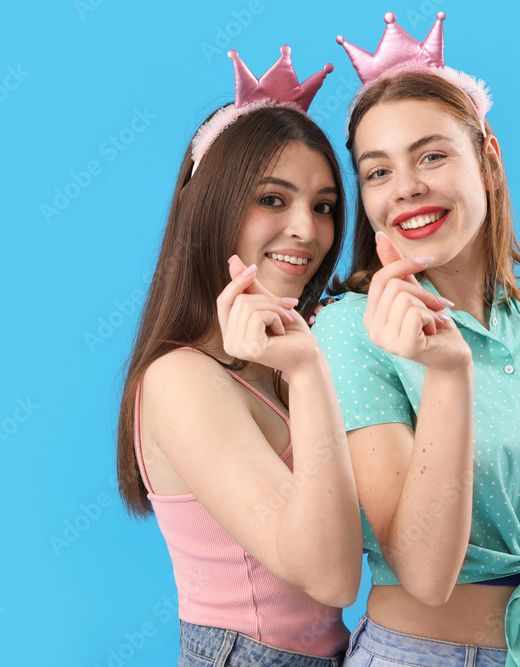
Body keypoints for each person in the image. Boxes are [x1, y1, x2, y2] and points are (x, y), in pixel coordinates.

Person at [311, 13, 520, 667]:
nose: (407, 186)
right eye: (377, 172)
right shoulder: (351, 332)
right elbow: (423, 571)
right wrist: (447, 372)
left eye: (431, 154)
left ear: (488, 159)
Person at [115, 45, 362, 667]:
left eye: (325, 206)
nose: (307, 229)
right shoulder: (180, 379)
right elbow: (332, 577)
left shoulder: (277, 361)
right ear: (213, 208)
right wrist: (307, 373)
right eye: (273, 199)